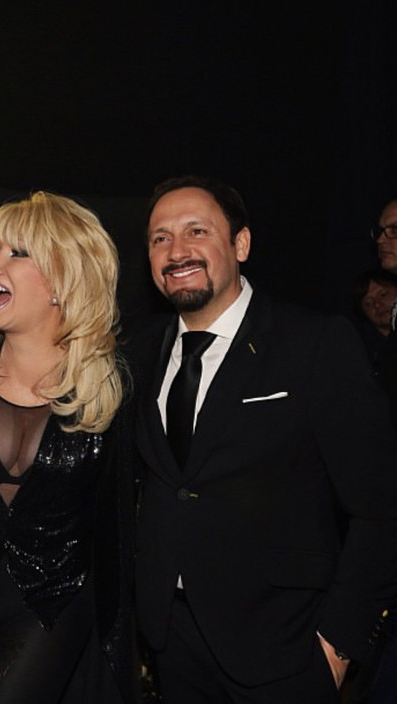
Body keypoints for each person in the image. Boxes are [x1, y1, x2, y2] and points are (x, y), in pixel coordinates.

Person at [132, 175, 397, 704]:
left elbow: (381, 506)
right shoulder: (138, 352)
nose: (176, 251)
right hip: (169, 643)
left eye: (196, 231)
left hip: (286, 646)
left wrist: (340, 642)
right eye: (161, 238)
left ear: (241, 244)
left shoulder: (315, 343)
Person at [0, 192, 138, 704]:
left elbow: (121, 524)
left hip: (52, 605)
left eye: (17, 253)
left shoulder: (111, 388)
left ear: (63, 279)